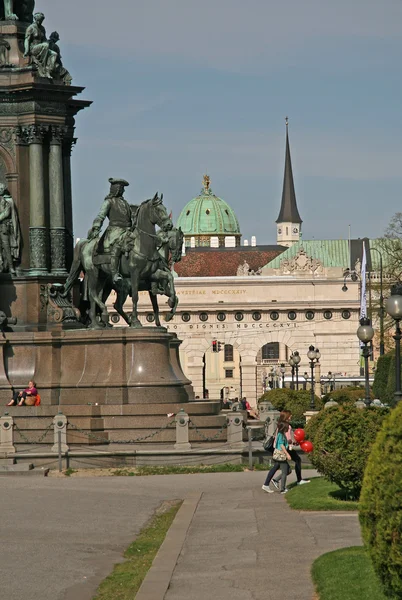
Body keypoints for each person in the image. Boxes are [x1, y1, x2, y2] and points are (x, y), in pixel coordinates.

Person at [87, 178, 135, 284]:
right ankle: (115, 273)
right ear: (116, 189)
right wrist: (96, 227)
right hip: (115, 231)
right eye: (122, 188)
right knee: (118, 244)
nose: (124, 190)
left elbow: (131, 217)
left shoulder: (125, 203)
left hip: (127, 230)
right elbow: (101, 216)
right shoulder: (109, 202)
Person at [271, 410, 310, 488]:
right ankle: (298, 480)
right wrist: (294, 442)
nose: (291, 416)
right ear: (287, 417)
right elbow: (288, 439)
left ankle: (276, 480)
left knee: (287, 469)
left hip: (280, 449)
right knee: (297, 460)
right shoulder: (287, 426)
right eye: (290, 415)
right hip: (286, 449)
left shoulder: (280, 425)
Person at [262, 421, 292, 494]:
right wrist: (287, 454)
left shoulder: (281, 434)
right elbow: (281, 445)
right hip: (281, 455)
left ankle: (276, 480)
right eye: (287, 427)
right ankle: (283, 488)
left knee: (288, 470)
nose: (288, 428)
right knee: (285, 472)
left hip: (279, 455)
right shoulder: (281, 435)